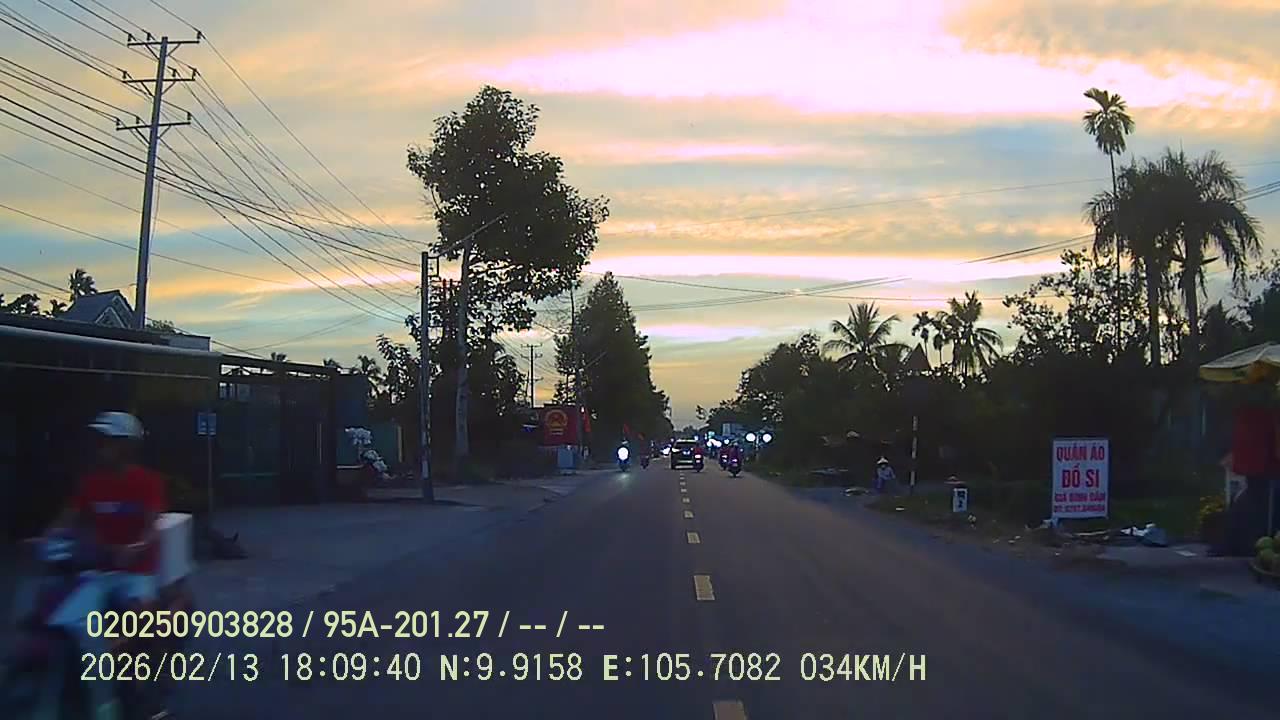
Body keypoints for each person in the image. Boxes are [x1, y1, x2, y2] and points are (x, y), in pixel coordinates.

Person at [51, 411, 166, 607]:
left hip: (137, 573)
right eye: (99, 441)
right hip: (99, 571)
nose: (100, 447)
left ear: (127, 446)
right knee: (63, 610)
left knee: (139, 613)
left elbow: (152, 527)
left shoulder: (149, 482)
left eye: (107, 441)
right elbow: (68, 518)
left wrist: (136, 548)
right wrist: (47, 538)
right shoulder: (91, 482)